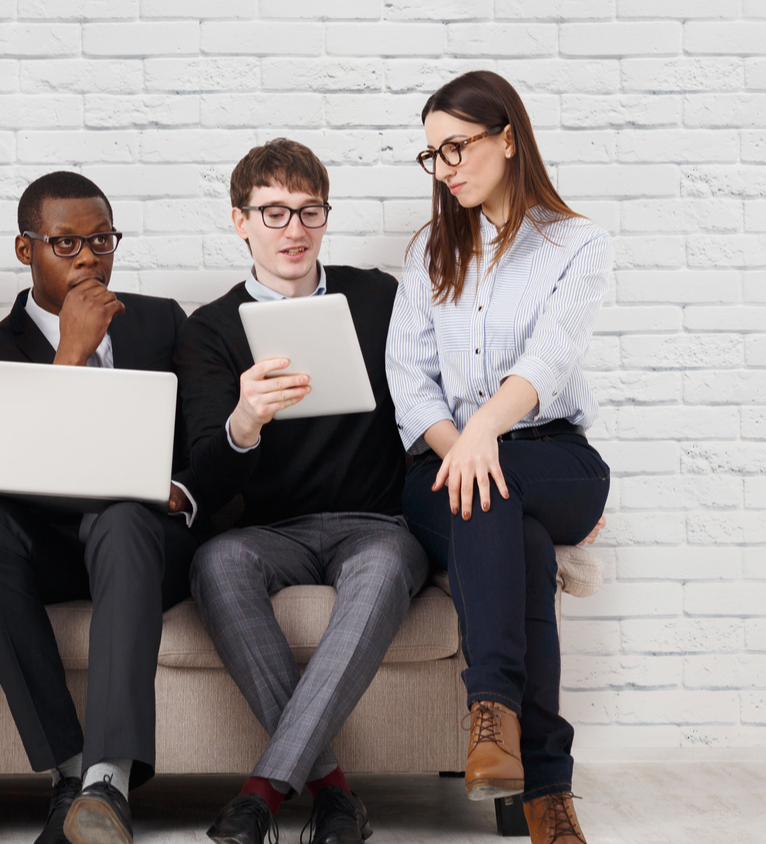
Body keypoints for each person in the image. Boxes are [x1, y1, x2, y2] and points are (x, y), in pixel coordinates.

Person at [175, 139, 430, 844]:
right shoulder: (210, 333)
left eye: (309, 212)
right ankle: (333, 794)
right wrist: (245, 420)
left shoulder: (379, 297)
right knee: (215, 563)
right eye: (275, 212)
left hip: (375, 523)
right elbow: (204, 470)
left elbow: (433, 402)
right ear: (240, 221)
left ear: (325, 216)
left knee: (382, 568)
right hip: (270, 531)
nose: (294, 230)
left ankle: (261, 794)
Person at [389, 70, 611, 844]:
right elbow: (409, 385)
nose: (445, 166)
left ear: (508, 138)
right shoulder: (427, 255)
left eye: (457, 146)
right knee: (509, 528)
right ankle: (546, 792)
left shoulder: (577, 243)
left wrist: (485, 431)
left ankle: (491, 719)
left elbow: (552, 360)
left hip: (553, 458)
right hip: (446, 466)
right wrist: (465, 447)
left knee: (502, 490)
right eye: (432, 155)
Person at [0, 172, 199, 844]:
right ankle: (70, 771)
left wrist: (178, 486)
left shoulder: (160, 319)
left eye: (100, 240)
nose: (88, 257)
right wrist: (70, 353)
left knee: (122, 514)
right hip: (51, 547)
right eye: (65, 243)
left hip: (140, 543)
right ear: (25, 250)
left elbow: (201, 439)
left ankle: (107, 784)